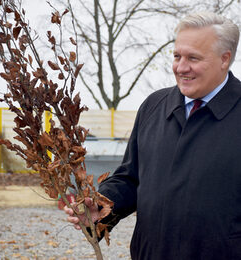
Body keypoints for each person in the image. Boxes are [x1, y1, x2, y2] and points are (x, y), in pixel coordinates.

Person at [65, 12, 241, 260]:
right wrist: (102, 206)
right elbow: (131, 178)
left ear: (225, 59)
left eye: (193, 58)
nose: (181, 67)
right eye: (177, 56)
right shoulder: (154, 106)